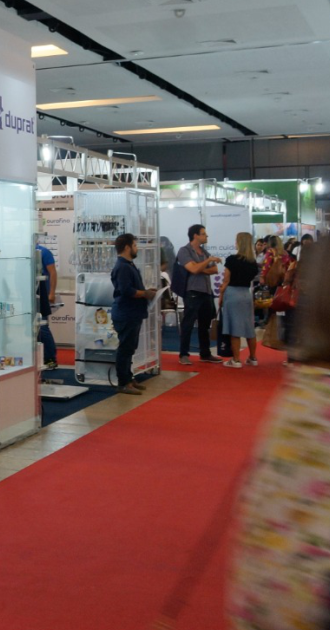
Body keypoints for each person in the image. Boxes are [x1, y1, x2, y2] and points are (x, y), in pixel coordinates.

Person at [227, 239, 330, 629]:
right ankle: (251, 356)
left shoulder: (303, 398)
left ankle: (242, 358)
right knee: (244, 332)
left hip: (275, 598)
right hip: (299, 599)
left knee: (237, 331)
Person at [111, 233, 156, 395]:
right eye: (135, 245)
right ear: (127, 247)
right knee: (125, 349)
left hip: (131, 313)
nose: (137, 248)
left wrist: (145, 292)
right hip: (126, 313)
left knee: (129, 348)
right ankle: (123, 382)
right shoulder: (123, 267)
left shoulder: (128, 265)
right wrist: (145, 293)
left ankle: (128, 378)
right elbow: (127, 290)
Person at [175, 224, 223, 364]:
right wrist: (206, 262)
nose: (206, 236)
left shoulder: (203, 251)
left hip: (206, 291)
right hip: (192, 291)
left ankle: (205, 353)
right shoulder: (184, 251)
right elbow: (193, 269)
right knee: (188, 323)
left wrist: (198, 267)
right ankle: (183, 354)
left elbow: (214, 270)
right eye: (203, 233)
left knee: (205, 324)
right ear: (195, 235)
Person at [218, 232, 259, 368]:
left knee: (234, 328)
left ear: (239, 243)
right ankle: (253, 357)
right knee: (249, 327)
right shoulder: (253, 263)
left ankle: (236, 360)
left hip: (232, 294)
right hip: (246, 294)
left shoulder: (231, 260)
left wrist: (221, 295)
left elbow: (226, 280)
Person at [37, 239, 58, 369]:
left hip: (42, 294)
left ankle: (50, 358)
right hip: (28, 295)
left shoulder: (44, 252)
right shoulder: (24, 252)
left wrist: (52, 293)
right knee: (32, 329)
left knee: (43, 327)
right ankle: (39, 358)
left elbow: (53, 272)